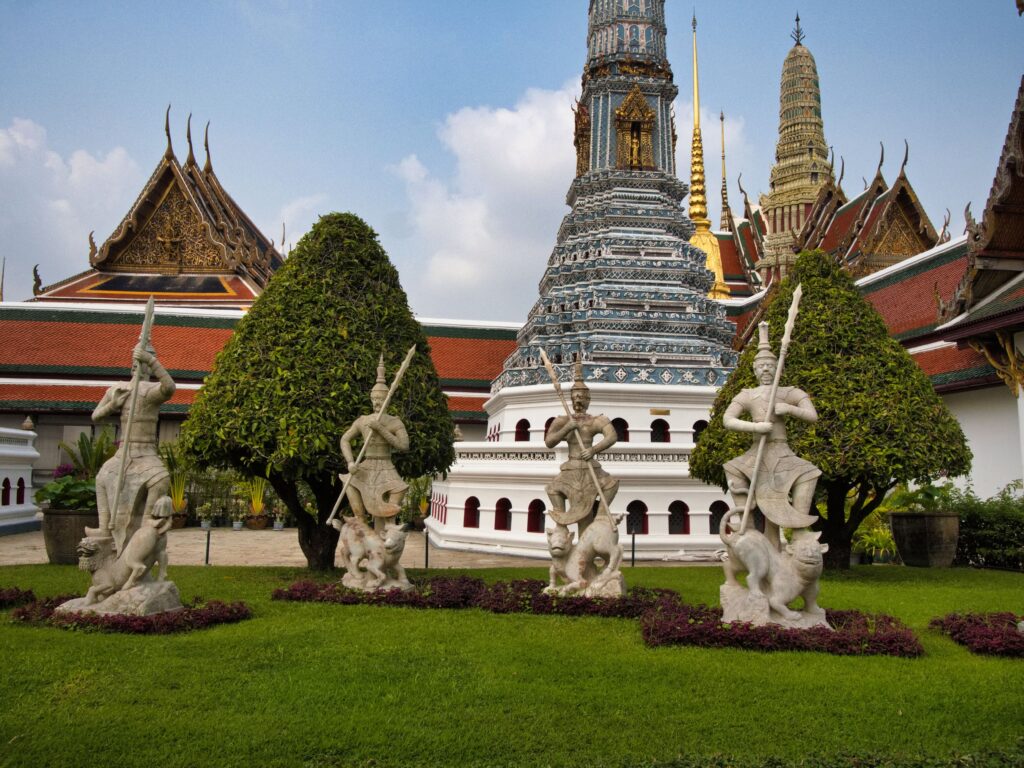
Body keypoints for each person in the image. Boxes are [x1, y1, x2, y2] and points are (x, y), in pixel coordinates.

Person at [723, 321, 820, 549]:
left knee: (809, 473)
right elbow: (728, 420)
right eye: (762, 366)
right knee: (733, 468)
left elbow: (811, 415)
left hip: (781, 449)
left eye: (770, 366)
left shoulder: (789, 392)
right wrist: (756, 428)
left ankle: (798, 530)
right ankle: (747, 529)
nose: (766, 370)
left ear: (778, 368)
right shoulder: (748, 394)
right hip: (758, 448)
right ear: (755, 370)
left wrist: (789, 409)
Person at [92, 342, 175, 553]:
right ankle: (103, 527)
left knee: (161, 479)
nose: (141, 366)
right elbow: (96, 416)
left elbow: (170, 388)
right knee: (102, 477)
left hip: (145, 452)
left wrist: (152, 361)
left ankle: (147, 523)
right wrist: (113, 405)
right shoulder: (119, 389)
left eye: (145, 362)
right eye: (139, 361)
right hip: (124, 451)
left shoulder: (151, 391)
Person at [544, 357, 619, 533]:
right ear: (571, 398)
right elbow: (549, 442)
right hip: (571, 466)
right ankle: (560, 524)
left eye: (583, 397)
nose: (579, 400)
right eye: (576, 396)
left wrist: (593, 450)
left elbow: (612, 436)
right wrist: (567, 429)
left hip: (589, 465)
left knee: (611, 484)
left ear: (588, 399)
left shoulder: (596, 420)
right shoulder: (562, 420)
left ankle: (601, 516)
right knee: (553, 489)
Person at [336, 356, 410, 532]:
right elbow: (345, 439)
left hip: (385, 464)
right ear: (371, 399)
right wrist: (350, 462)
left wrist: (381, 430)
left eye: (381, 398)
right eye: (375, 398)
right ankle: (360, 521)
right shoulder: (362, 420)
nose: (377, 402)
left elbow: (403, 445)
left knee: (399, 489)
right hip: (366, 464)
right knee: (350, 481)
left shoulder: (394, 422)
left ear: (387, 399)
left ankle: (389, 525)